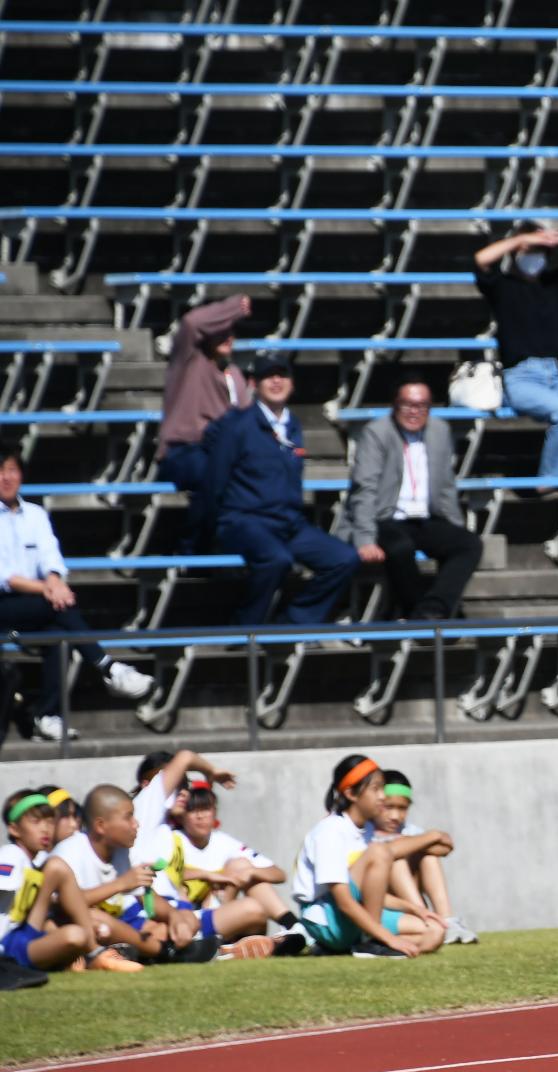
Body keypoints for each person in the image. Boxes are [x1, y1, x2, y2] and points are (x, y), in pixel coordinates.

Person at [0, 443, 155, 740]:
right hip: (8, 602)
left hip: (39, 602)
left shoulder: (35, 514)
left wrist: (55, 581)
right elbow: (4, 577)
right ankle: (108, 667)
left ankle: (46, 715)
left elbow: (51, 557)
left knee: (60, 634)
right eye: (0, 471)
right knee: (59, 608)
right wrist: (49, 589)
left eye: (12, 470)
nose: (6, 478)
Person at [204, 352, 362, 625]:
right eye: (268, 376)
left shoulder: (292, 424)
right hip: (246, 521)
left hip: (289, 523)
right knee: (277, 559)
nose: (276, 381)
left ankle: (293, 622)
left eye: (282, 375)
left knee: (344, 558)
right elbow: (214, 481)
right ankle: (245, 630)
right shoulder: (237, 425)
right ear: (254, 383)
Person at [337, 377, 484, 621]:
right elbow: (364, 489)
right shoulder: (377, 432)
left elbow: (446, 486)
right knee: (399, 548)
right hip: (385, 517)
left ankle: (435, 607)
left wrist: (454, 527)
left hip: (426, 517)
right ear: (395, 405)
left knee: (469, 544)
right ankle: (419, 612)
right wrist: (364, 538)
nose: (414, 411)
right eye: (407, 404)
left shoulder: (439, 431)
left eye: (422, 405)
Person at [472, 223, 558, 485]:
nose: (535, 255)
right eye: (529, 249)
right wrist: (521, 239)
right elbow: (481, 260)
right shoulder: (502, 285)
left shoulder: (555, 283)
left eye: (540, 250)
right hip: (519, 377)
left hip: (552, 376)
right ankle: (553, 480)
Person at [291, 755, 447, 958]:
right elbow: (345, 901)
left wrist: (415, 909)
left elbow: (369, 895)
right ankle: (369, 942)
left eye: (383, 788)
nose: (383, 796)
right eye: (375, 789)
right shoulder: (330, 831)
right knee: (381, 851)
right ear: (351, 794)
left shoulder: (367, 832)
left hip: (357, 917)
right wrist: (387, 937)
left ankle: (356, 945)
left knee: (435, 932)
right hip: (329, 920)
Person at [144, 778, 312, 957]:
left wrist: (250, 872)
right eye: (192, 810)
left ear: (215, 812)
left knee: (242, 868)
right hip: (182, 917)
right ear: (180, 815)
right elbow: (160, 875)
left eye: (206, 809)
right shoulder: (171, 839)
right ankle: (232, 946)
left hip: (216, 913)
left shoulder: (223, 842)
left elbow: (279, 874)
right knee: (253, 908)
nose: (200, 816)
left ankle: (293, 926)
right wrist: (208, 876)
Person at [157, 295, 250, 549]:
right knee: (214, 473)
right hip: (182, 451)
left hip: (222, 453)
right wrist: (233, 309)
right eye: (221, 329)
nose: (228, 335)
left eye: (231, 331)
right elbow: (191, 322)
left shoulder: (236, 376)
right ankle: (192, 544)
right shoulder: (189, 361)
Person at [40, 784, 166, 967]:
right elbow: (65, 905)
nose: (74, 824)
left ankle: (120, 952)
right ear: (100, 825)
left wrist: (175, 916)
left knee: (157, 926)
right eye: (129, 817)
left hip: (114, 924)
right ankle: (163, 951)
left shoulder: (122, 851)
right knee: (97, 922)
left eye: (75, 816)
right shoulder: (66, 855)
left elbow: (145, 898)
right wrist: (121, 884)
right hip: (69, 928)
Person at [371, 769, 476, 945]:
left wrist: (411, 842)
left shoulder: (409, 831)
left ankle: (446, 919)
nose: (395, 816)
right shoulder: (365, 832)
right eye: (388, 808)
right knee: (397, 859)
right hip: (381, 906)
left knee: (428, 856)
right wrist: (432, 836)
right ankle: (427, 919)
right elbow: (389, 851)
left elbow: (445, 847)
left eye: (402, 808)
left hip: (405, 902)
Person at [0, 790, 95, 974]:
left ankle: (90, 953)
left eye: (50, 821)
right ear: (14, 829)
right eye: (36, 822)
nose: (45, 829)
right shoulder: (11, 855)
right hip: (6, 945)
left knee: (56, 868)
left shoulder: (36, 860)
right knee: (74, 936)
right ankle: (94, 954)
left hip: (22, 934)